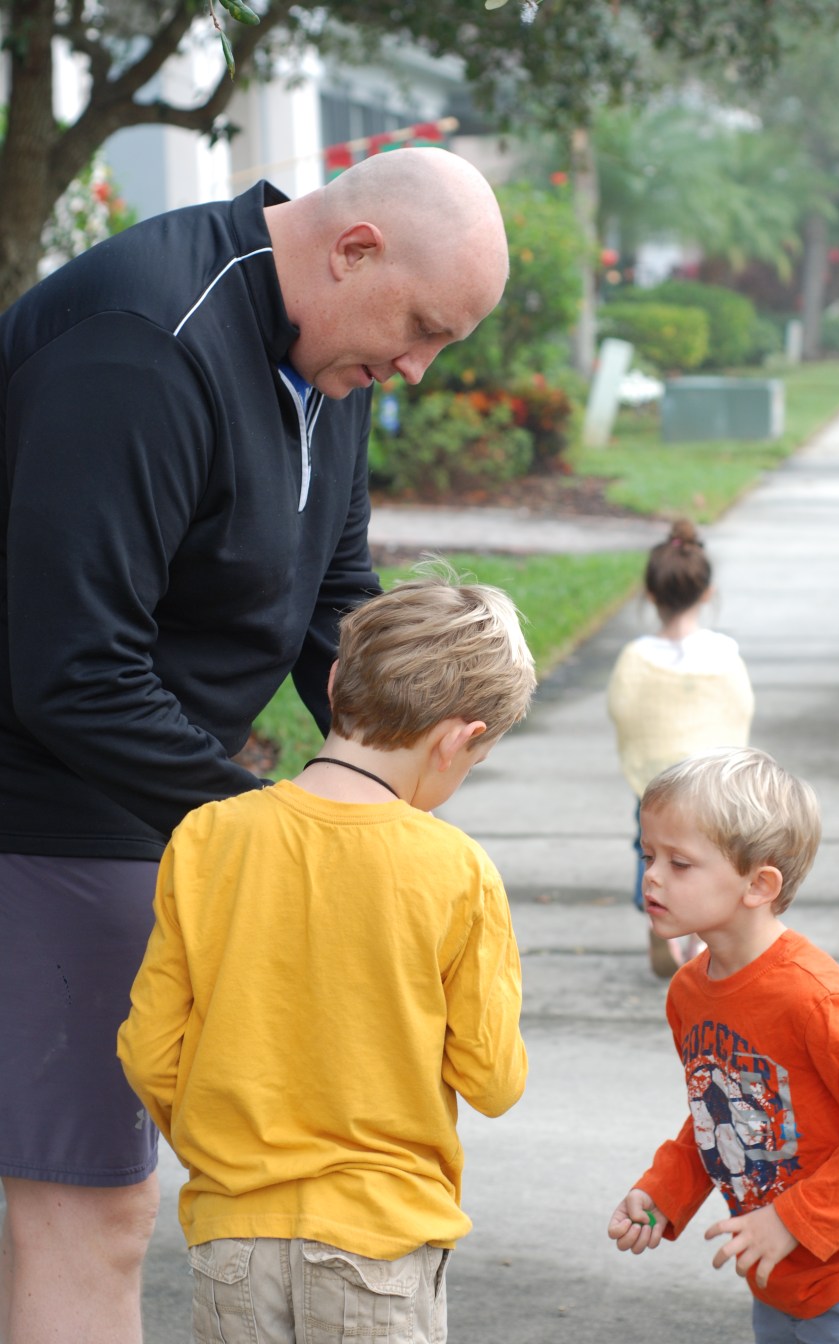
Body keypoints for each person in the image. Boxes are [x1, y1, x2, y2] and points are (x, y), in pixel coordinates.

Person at [0, 147, 509, 1343]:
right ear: (354, 251)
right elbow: (73, 672)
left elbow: (335, 587)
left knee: (88, 1210)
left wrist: (388, 779)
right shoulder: (142, 346)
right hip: (44, 810)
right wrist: (278, 833)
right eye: (423, 330)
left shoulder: (330, 346)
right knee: (86, 1216)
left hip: (147, 806)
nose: (418, 369)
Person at [116, 568, 535, 1344]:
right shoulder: (456, 869)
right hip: (381, 1237)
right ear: (458, 740)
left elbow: (148, 1049)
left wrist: (228, 1147)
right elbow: (493, 1079)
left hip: (234, 1235)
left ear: (337, 679)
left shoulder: (207, 836)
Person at [607, 747, 839, 1343]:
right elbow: (721, 1114)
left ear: (758, 884)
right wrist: (663, 1191)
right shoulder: (688, 992)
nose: (652, 876)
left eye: (679, 863)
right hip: (773, 1279)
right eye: (648, 855)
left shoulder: (812, 995)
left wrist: (792, 1221)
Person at [606, 518, 754, 978]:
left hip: (657, 780)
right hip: (712, 784)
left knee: (652, 849)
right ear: (707, 593)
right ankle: (699, 936)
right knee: (706, 856)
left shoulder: (636, 657)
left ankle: (661, 923)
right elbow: (740, 707)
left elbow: (622, 709)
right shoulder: (724, 653)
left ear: (651, 595)